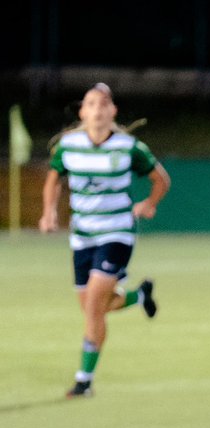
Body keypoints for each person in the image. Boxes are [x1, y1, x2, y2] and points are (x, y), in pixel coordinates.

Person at [39, 82, 170, 398]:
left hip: (116, 233)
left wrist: (149, 203)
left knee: (95, 306)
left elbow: (161, 180)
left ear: (113, 112)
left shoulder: (128, 148)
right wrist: (49, 213)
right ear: (82, 112)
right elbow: (53, 180)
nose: (97, 109)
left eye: (103, 104)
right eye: (91, 103)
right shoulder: (69, 146)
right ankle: (139, 296)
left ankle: (84, 381)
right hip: (82, 237)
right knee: (94, 306)